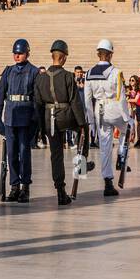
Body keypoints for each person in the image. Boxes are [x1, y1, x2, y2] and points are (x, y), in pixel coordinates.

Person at [34, 39, 85, 206]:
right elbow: (75, 102)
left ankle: (60, 191)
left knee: (56, 155)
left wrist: (41, 129)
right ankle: (82, 164)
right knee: (83, 134)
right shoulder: (69, 77)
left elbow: (38, 105)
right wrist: (83, 124)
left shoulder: (40, 79)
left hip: (49, 119)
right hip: (66, 117)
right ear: (63, 58)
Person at [83, 38, 131, 198]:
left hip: (99, 111)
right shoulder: (116, 72)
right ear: (110, 55)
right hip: (114, 108)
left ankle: (108, 182)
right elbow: (122, 96)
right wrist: (127, 117)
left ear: (98, 54)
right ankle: (121, 156)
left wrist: (91, 121)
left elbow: (87, 100)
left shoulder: (89, 73)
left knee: (105, 148)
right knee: (126, 130)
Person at [0, 38, 40, 203]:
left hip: (26, 118)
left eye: (20, 53)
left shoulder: (34, 72)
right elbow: (0, 96)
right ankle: (14, 186)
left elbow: (37, 99)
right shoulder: (8, 71)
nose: (17, 56)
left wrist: (35, 122)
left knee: (24, 153)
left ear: (27, 53)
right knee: (11, 154)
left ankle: (25, 187)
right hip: (10, 117)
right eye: (15, 53)